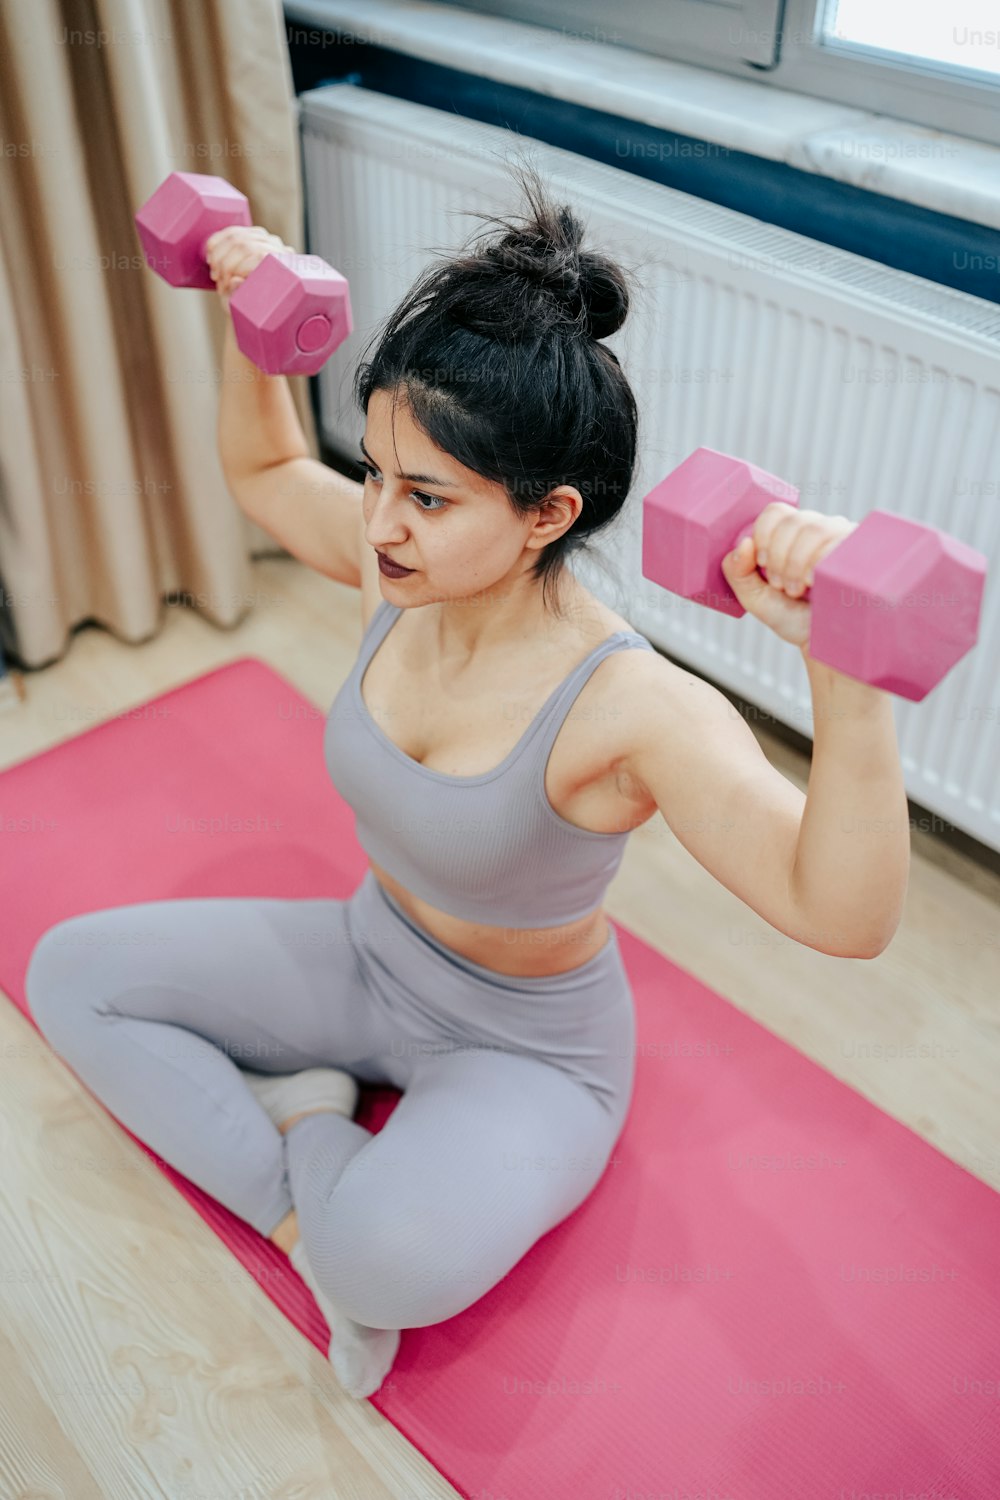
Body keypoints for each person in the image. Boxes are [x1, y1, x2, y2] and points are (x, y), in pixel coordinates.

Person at [24, 160, 654, 1401]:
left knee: (389, 1272)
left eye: (424, 494)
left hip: (526, 1050)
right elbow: (264, 477)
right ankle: (311, 1181)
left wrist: (845, 692)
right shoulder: (399, 573)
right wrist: (243, 312)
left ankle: (315, 1140)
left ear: (545, 514)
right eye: (372, 473)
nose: (378, 522)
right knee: (70, 973)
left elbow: (842, 914)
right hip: (368, 957)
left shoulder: (629, 701)